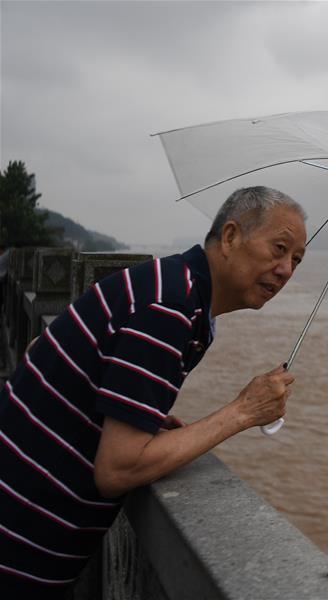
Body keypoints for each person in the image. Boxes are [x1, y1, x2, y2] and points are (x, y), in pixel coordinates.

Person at [0, 186, 307, 598]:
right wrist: (243, 411)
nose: (285, 270)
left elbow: (47, 349)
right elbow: (118, 470)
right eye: (279, 248)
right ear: (230, 237)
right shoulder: (168, 309)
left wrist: (127, 408)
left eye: (296, 260)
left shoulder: (169, 284)